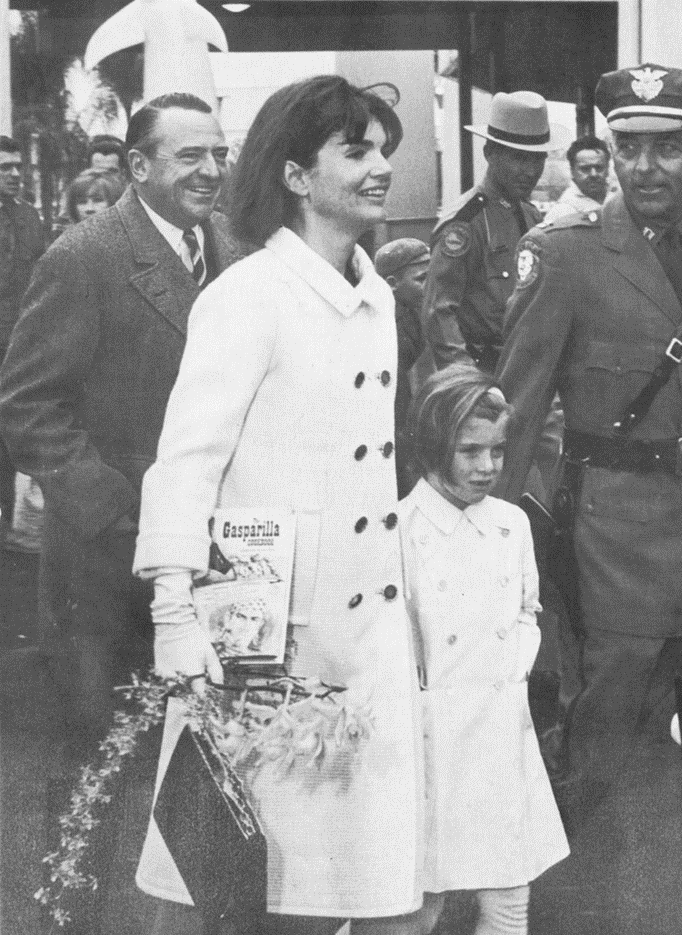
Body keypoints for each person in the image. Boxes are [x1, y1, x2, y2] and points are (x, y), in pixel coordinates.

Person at [496, 63, 682, 935]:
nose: (646, 164)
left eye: (669, 145)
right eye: (630, 146)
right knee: (606, 780)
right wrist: (498, 564)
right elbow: (511, 414)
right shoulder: (567, 254)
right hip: (617, 562)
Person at [131, 75, 422, 935]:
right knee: (242, 890)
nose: (380, 170)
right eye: (357, 151)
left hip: (365, 646)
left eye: (384, 152)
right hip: (267, 651)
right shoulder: (247, 296)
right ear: (296, 175)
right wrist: (175, 613)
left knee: (369, 894)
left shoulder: (381, 300)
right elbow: (185, 462)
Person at [0, 93, 242, 755]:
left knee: (208, 774)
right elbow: (27, 406)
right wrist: (117, 513)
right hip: (104, 573)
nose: (211, 169)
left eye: (219, 154)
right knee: (99, 777)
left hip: (217, 557)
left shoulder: (233, 246)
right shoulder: (84, 256)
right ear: (137, 165)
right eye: (189, 154)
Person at [398, 364, 569, 935]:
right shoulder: (400, 530)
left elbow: (527, 609)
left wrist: (513, 670)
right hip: (429, 743)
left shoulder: (512, 524)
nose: (488, 468)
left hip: (500, 734)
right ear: (431, 447)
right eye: (470, 452)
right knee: (418, 903)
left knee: (509, 897)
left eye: (497, 451)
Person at [422, 91, 566, 374]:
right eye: (518, 158)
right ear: (489, 153)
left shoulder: (530, 215)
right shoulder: (464, 224)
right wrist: (465, 381)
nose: (530, 171)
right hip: (484, 371)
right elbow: (438, 312)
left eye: (537, 159)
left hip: (526, 369)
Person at [0, 135, 46, 545]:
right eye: (4, 168)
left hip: (16, 346)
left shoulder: (30, 217)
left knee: (10, 434)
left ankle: (10, 527)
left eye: (17, 167)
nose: (14, 174)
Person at [374, 236, 430, 496]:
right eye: (421, 279)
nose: (430, 286)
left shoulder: (414, 312)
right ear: (392, 284)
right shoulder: (381, 327)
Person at [543, 134, 610, 224]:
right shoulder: (561, 213)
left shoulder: (620, 200)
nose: (593, 174)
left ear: (608, 168)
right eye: (585, 168)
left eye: (599, 167)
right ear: (572, 171)